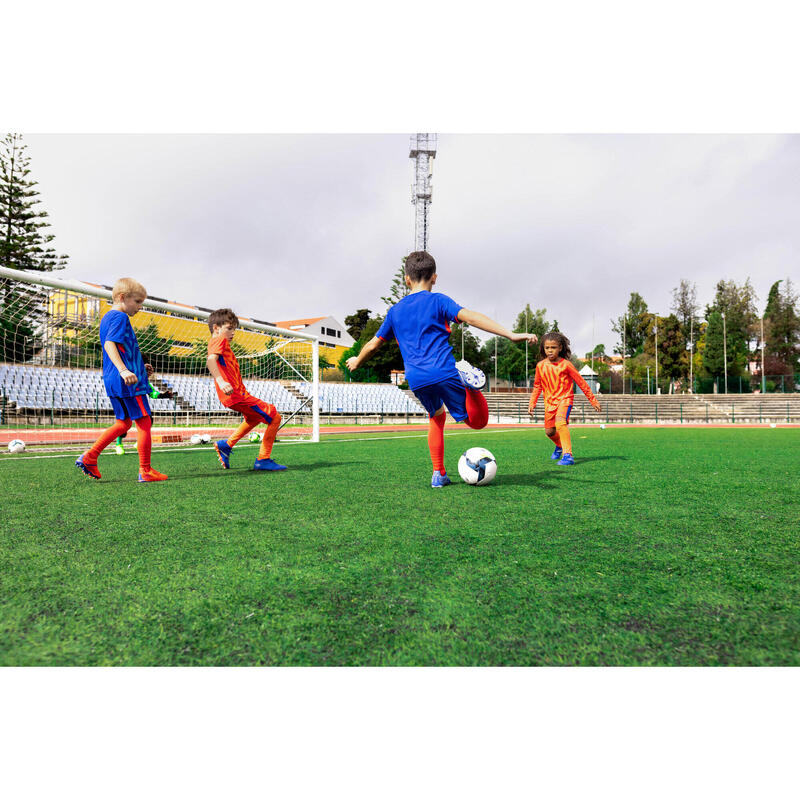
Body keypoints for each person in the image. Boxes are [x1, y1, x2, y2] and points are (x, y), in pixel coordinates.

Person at [346, 251, 537, 487]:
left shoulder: (395, 311)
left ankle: (438, 474)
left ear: (407, 279)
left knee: (436, 417)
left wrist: (357, 361)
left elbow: (373, 344)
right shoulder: (438, 301)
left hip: (415, 378)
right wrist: (509, 334)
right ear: (434, 278)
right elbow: (471, 317)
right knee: (478, 422)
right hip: (444, 371)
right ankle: (472, 386)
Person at [75, 278, 168, 482]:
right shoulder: (120, 317)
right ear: (122, 297)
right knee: (144, 421)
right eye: (137, 301)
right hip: (127, 382)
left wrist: (139, 368)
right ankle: (146, 470)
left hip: (114, 379)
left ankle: (90, 457)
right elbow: (110, 345)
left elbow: (120, 349)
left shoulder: (108, 317)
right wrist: (125, 370)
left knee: (123, 423)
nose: (140, 307)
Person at [206, 308, 286, 471]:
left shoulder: (221, 343)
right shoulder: (219, 340)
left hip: (236, 395)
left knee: (253, 418)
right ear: (216, 328)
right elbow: (210, 361)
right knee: (275, 417)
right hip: (235, 395)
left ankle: (226, 445)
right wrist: (221, 382)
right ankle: (263, 459)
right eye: (229, 328)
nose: (233, 332)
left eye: (234, 329)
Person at [527, 331, 602, 465]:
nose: (550, 351)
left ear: (560, 348)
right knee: (549, 432)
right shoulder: (540, 366)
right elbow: (537, 386)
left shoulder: (566, 365)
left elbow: (581, 382)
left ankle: (568, 455)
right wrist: (532, 402)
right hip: (549, 403)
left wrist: (593, 399)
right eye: (547, 348)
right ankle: (559, 445)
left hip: (565, 399)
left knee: (561, 423)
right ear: (544, 349)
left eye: (553, 347)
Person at [114, 382, 173, 454]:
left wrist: (161, 395)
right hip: (126, 403)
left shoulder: (144, 381)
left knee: (148, 420)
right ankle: (119, 444)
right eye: (148, 370)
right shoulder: (125, 379)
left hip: (138, 404)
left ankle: (140, 442)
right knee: (124, 424)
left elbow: (152, 393)